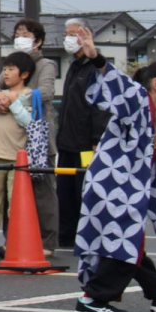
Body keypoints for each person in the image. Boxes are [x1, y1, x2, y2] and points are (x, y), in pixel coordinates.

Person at [71, 27, 156, 312]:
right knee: (123, 247)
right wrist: (96, 57)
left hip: (121, 193)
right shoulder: (138, 103)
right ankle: (93, 299)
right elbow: (120, 87)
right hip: (111, 190)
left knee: (129, 246)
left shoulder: (152, 129)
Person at [0, 18, 59, 254]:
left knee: (42, 191)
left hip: (37, 137)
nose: (20, 38)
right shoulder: (12, 64)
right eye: (17, 34)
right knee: (11, 194)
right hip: (11, 141)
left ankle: (47, 242)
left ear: (38, 41)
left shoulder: (46, 64)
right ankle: (13, 240)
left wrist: (12, 99)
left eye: (26, 34)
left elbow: (47, 92)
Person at [56, 17, 111, 247]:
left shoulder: (94, 68)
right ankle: (66, 235)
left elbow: (100, 106)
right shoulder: (73, 67)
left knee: (84, 190)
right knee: (65, 191)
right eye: (67, 34)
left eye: (75, 33)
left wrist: (96, 139)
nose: (70, 39)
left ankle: (88, 234)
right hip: (67, 141)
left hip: (86, 143)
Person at [0, 52, 36, 258]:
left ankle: (14, 241)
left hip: (18, 158)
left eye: (11, 69)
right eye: (5, 69)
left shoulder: (29, 95)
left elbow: (30, 123)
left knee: (15, 202)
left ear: (25, 74)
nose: (6, 73)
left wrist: (13, 104)